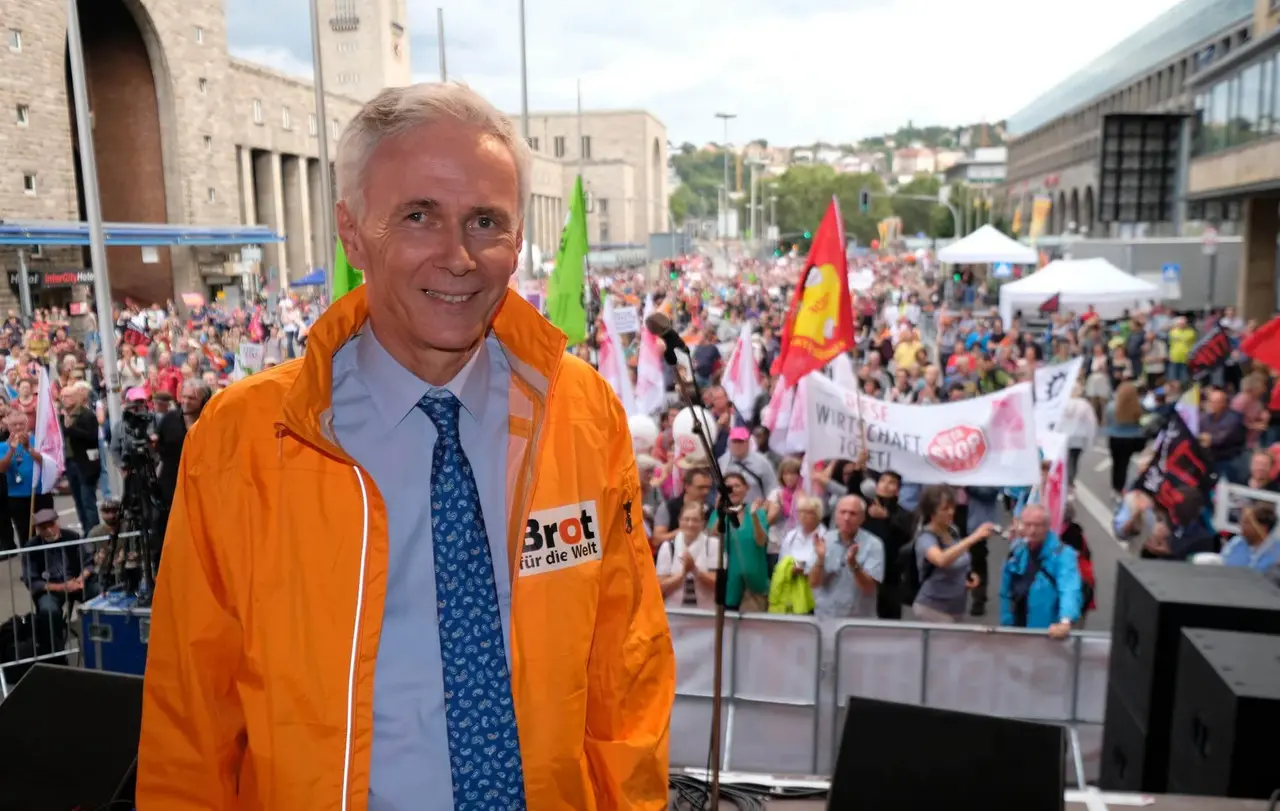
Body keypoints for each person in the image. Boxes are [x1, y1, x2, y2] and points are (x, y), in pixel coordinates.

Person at [139, 83, 674, 811]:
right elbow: (189, 728)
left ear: (517, 240)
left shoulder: (583, 416)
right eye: (419, 216)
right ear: (352, 232)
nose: (458, 256)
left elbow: (627, 679)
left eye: (486, 220)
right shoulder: (243, 443)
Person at [910, 485, 994, 623]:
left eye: (952, 507)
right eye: (945, 509)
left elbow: (961, 554)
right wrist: (974, 537)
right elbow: (941, 559)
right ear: (931, 512)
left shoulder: (952, 530)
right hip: (932, 606)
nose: (951, 512)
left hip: (956, 606)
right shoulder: (925, 538)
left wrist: (968, 575)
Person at [999, 504, 1083, 637]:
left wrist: (1065, 621)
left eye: (1038, 525)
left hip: (1046, 632)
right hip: (1015, 627)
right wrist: (1005, 622)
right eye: (1028, 524)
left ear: (1047, 526)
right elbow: (1005, 591)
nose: (1032, 530)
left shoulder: (1063, 554)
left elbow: (1069, 588)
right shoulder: (1017, 552)